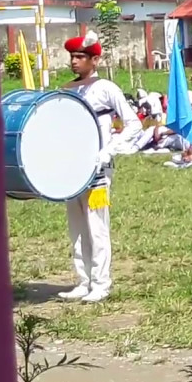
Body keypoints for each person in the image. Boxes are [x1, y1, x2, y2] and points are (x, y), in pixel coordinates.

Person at [56, 31, 140, 303]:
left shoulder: (106, 88)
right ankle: (84, 280)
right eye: (72, 56)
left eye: (80, 56)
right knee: (77, 226)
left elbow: (134, 123)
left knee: (96, 227)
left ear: (94, 60)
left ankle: (101, 283)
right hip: (73, 167)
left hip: (98, 167)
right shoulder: (68, 89)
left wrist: (108, 150)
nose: (74, 61)